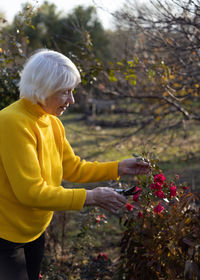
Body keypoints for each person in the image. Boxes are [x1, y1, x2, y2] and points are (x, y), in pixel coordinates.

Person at [0, 49, 151, 280]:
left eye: (72, 92)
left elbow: (73, 168)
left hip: (33, 232)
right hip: (5, 237)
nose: (72, 100)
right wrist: (90, 197)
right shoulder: (12, 122)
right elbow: (30, 192)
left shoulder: (52, 122)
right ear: (43, 88)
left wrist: (118, 167)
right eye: (65, 93)